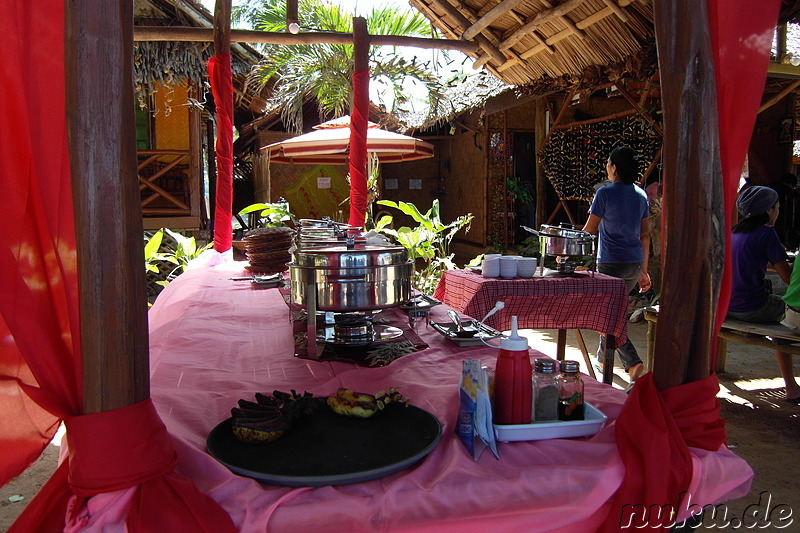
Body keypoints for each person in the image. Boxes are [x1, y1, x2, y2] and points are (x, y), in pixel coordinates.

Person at [582, 146, 651, 387]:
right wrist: (644, 270)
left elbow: (589, 230)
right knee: (614, 311)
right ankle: (603, 359)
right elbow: (645, 236)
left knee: (607, 317)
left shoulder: (604, 193)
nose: (606, 167)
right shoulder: (641, 195)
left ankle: (632, 362)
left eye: (608, 163)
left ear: (614, 168)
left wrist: (566, 253)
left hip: (610, 264)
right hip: (634, 264)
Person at [727, 185, 796, 402]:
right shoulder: (767, 234)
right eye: (776, 207)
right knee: (789, 314)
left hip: (728, 307)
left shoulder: (734, 232)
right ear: (768, 211)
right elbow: (788, 278)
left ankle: (792, 385)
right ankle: (791, 386)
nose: (778, 211)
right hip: (752, 308)